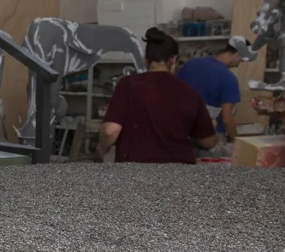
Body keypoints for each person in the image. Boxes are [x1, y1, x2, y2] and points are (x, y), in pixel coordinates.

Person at [96, 28, 217, 163]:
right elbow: (209, 142)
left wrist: (102, 148)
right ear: (174, 59)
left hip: (135, 170)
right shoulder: (188, 91)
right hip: (180, 172)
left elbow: (110, 131)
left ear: (145, 59)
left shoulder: (128, 85)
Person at [177, 36, 254, 143]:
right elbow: (227, 119)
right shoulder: (228, 78)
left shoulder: (191, 64)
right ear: (237, 54)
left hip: (182, 132)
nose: (238, 64)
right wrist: (236, 141)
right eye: (241, 60)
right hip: (210, 137)